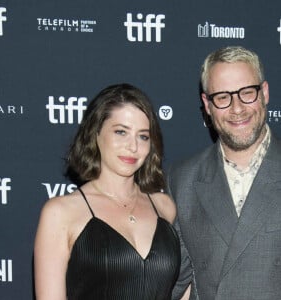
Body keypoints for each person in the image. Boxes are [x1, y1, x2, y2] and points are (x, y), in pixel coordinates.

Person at [34, 83, 182, 299]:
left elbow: (184, 288)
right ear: (95, 134)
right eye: (121, 132)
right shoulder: (61, 213)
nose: (133, 146)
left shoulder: (164, 207)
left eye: (143, 136)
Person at [167, 46, 281, 300]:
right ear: (207, 105)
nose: (237, 108)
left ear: (264, 93)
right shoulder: (181, 179)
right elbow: (175, 280)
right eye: (222, 97)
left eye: (247, 93)